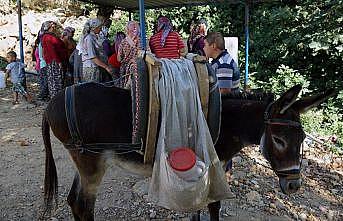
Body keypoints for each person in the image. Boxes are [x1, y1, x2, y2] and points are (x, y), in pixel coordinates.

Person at [203, 32, 240, 181]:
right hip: (224, 107)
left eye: (205, 45)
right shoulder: (218, 60)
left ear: (213, 46)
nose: (204, 48)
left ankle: (225, 175)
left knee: (223, 139)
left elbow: (224, 92)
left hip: (226, 109)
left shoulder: (223, 63)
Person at [77, 18, 113, 83]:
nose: (101, 29)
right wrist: (106, 67)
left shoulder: (94, 37)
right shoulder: (89, 38)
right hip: (91, 69)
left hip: (96, 67)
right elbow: (93, 57)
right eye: (100, 27)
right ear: (95, 28)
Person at [41, 21, 68, 98]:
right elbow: (51, 50)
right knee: (56, 80)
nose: (54, 28)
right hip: (55, 62)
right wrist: (58, 62)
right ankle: (57, 98)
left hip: (53, 61)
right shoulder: (48, 37)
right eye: (52, 27)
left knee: (54, 81)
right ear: (49, 28)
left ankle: (56, 97)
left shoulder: (47, 36)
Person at [117, 21, 141, 89]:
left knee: (124, 89)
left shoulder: (123, 42)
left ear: (127, 30)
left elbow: (119, 59)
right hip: (137, 68)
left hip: (125, 69)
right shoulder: (143, 41)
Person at [37, 30, 49, 100]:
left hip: (42, 64)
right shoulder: (42, 44)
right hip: (44, 64)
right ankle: (42, 95)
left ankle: (42, 95)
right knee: (46, 81)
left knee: (43, 81)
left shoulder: (40, 43)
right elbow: (44, 56)